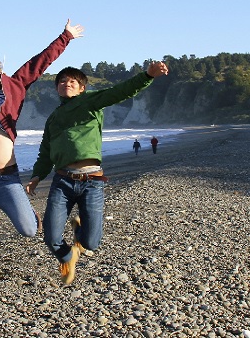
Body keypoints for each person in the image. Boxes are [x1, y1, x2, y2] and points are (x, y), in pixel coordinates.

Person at [0, 20, 84, 252]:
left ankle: (30, 215)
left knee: (29, 230)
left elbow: (39, 63)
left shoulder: (13, 87)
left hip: (5, 179)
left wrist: (65, 37)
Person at [26, 61, 169, 284]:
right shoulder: (52, 119)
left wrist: (147, 75)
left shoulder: (90, 101)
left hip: (92, 181)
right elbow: (46, 151)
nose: (67, 84)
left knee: (92, 243)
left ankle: (79, 236)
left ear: (82, 88)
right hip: (62, 181)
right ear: (57, 88)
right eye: (62, 81)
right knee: (51, 238)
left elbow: (119, 92)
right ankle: (69, 256)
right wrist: (36, 176)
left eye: (72, 81)